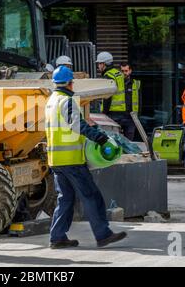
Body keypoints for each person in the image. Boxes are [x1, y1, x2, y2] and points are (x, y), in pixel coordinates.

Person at [45, 65, 127, 249]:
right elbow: (77, 126)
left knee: (65, 198)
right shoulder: (66, 101)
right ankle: (103, 234)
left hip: (56, 160)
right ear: (70, 83)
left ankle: (57, 237)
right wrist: (100, 138)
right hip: (71, 159)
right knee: (91, 195)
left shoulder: (51, 101)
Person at [98, 53, 141, 140]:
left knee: (113, 140)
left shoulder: (109, 76)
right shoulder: (118, 74)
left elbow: (108, 97)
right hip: (124, 112)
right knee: (127, 142)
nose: (98, 66)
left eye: (99, 63)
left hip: (114, 114)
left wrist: (104, 113)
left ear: (104, 64)